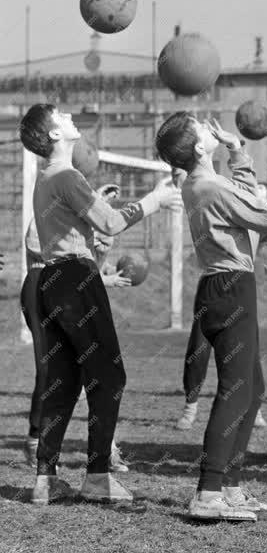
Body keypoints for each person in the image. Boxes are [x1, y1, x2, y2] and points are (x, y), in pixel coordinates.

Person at [20, 103, 182, 505]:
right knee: (109, 377)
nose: (70, 117)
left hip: (51, 282)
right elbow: (109, 223)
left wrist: (95, 204)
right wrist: (154, 200)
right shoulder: (68, 175)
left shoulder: (47, 179)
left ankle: (45, 478)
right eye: (61, 115)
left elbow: (84, 226)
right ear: (54, 134)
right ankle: (97, 477)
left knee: (64, 379)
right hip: (76, 281)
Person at [156, 113, 267, 521]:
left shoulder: (199, 183)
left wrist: (237, 152)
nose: (208, 125)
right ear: (200, 148)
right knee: (236, 390)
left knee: (251, 389)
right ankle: (209, 491)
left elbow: (243, 197)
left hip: (224, 286)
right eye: (200, 126)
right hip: (231, 288)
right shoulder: (210, 187)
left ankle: (231, 486)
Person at [21, 182, 132, 473]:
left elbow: (87, 254)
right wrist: (155, 200)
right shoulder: (47, 204)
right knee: (57, 372)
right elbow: (40, 247)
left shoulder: (68, 208)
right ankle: (39, 445)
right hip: (46, 284)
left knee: (89, 373)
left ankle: (102, 454)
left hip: (73, 283)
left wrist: (99, 250)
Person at [174, 174, 267, 432]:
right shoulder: (232, 208)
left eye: (264, 191)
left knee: (248, 352)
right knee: (198, 347)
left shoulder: (260, 223)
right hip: (214, 285)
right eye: (256, 189)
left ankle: (256, 406)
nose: (259, 193)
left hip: (241, 291)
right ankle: (190, 405)